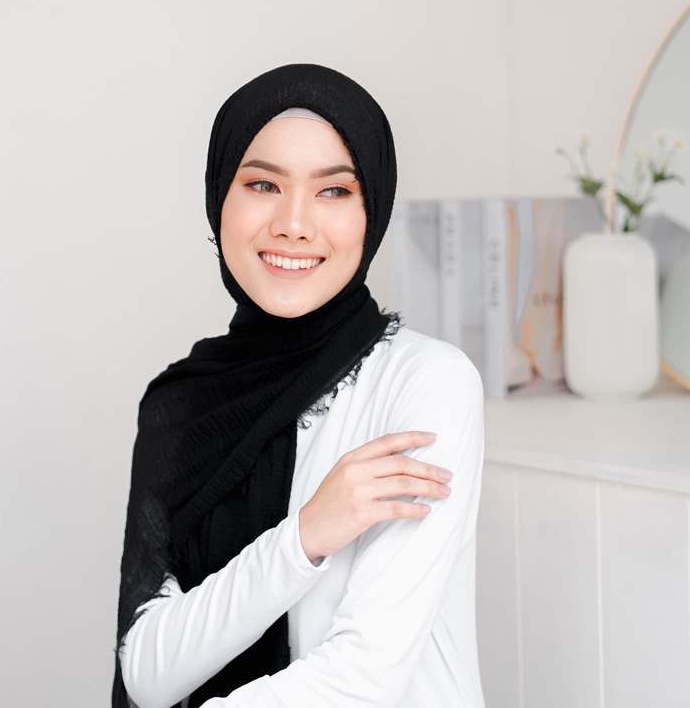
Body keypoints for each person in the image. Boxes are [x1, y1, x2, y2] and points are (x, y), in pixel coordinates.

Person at [113, 63, 485, 708]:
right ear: (219, 198)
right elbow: (147, 671)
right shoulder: (183, 405)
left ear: (372, 211)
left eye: (334, 191)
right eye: (263, 184)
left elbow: (364, 678)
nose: (294, 223)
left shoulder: (427, 382)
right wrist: (304, 536)